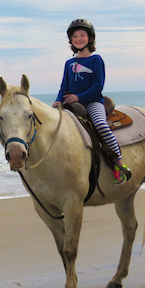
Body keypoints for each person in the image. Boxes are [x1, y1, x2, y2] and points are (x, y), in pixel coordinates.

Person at [52, 19, 131, 186]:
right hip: (72, 104)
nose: (78, 38)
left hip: (92, 102)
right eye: (75, 36)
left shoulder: (96, 60)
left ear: (90, 38)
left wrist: (79, 97)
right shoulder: (69, 63)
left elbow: (97, 87)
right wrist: (58, 101)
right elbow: (64, 87)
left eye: (82, 35)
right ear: (71, 40)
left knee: (101, 126)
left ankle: (119, 164)